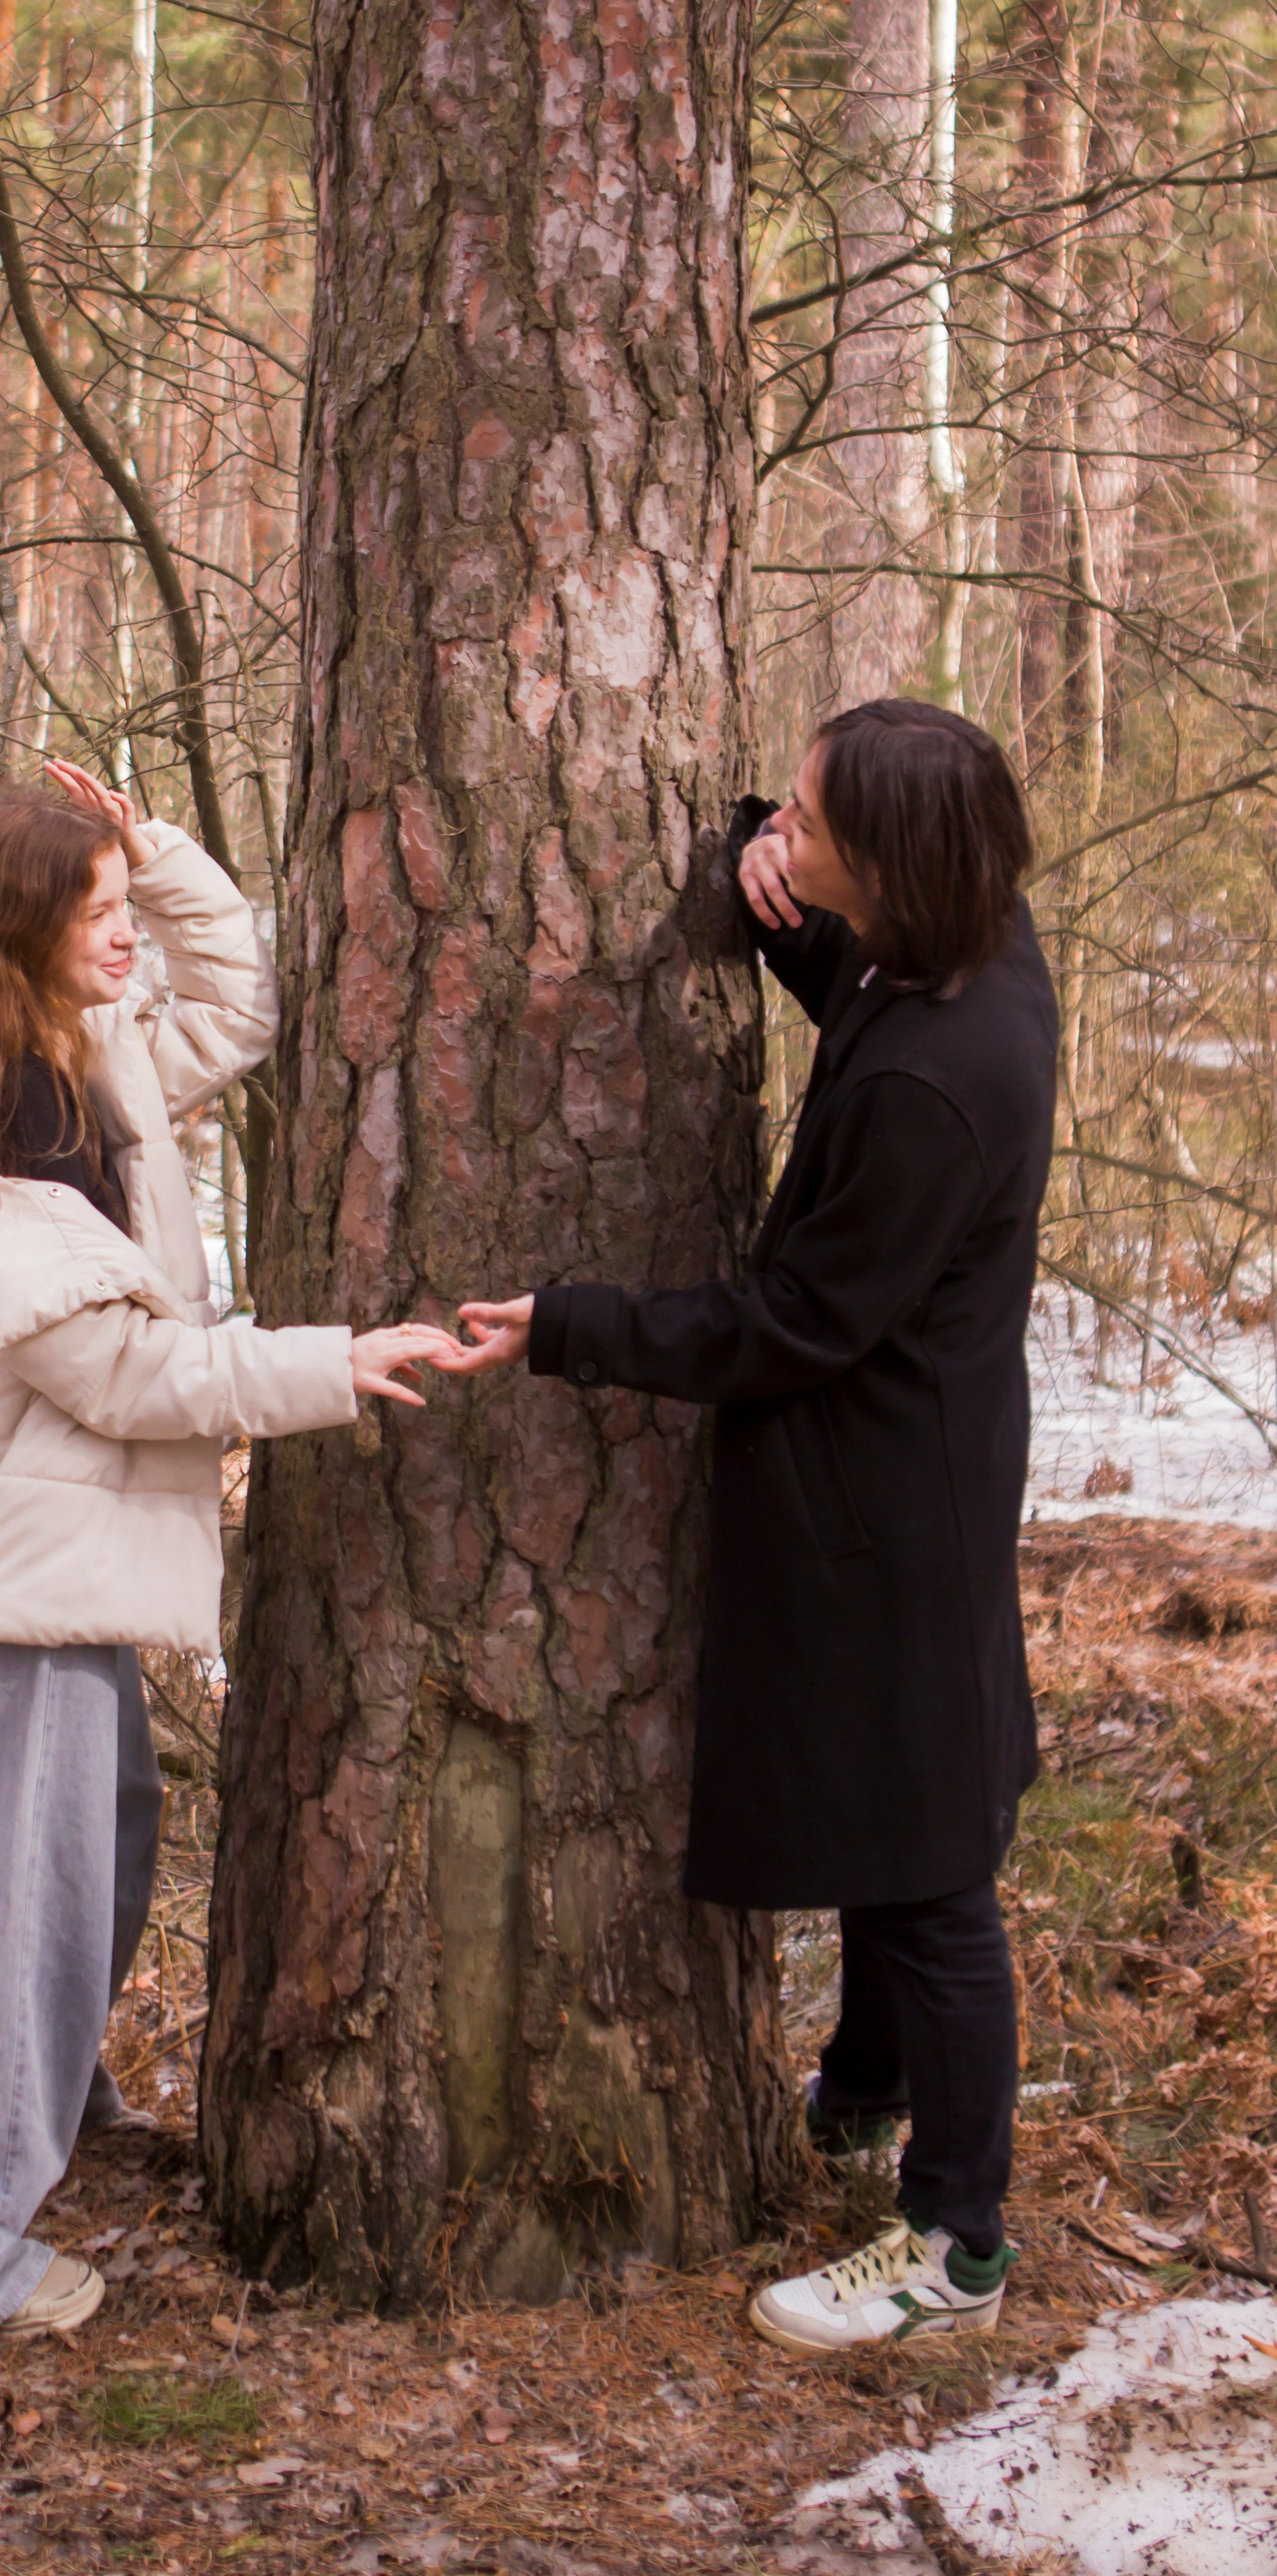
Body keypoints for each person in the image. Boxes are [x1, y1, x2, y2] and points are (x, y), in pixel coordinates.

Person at [434, 700, 1058, 2357]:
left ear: (892, 856)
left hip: (884, 1498)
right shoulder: (969, 950)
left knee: (926, 1874)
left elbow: (788, 1322)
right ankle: (855, 2102)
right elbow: (852, 992)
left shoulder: (939, 1077)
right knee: (885, 1813)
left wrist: (568, 1323)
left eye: (805, 817)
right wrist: (750, 864)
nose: (780, 827)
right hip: (908, 1465)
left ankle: (955, 2241)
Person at [0, 763, 455, 2339]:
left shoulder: (89, 1055)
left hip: (77, 1560)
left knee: (94, 1854)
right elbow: (139, 1379)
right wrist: (335, 1366)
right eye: (97, 918)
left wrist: (143, 841)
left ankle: (49, 2098)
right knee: (15, 1918)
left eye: (125, 911)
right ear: (11, 940)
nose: (129, 939)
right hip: (34, 1572)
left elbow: (241, 996)